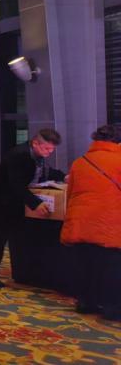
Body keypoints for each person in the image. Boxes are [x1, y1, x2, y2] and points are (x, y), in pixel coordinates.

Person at [0, 128, 65, 287]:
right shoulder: (19, 155)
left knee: (14, 237)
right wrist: (36, 203)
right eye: (47, 148)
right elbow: (16, 184)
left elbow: (45, 172)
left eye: (52, 149)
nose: (50, 152)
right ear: (35, 143)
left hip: (13, 201)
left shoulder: (36, 156)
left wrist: (63, 176)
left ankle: (23, 273)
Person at [61, 124, 121, 321]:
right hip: (111, 223)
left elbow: (70, 193)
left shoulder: (80, 162)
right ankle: (112, 308)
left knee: (86, 264)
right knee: (111, 268)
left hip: (82, 221)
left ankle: (86, 302)